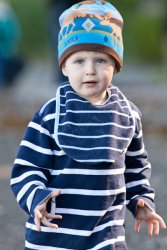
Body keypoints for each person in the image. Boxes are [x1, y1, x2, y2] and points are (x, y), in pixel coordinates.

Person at [11, 1, 166, 249]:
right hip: (55, 232)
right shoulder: (51, 115)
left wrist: (141, 201)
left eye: (101, 60)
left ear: (116, 64)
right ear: (64, 66)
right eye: (79, 61)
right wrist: (36, 197)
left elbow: (136, 168)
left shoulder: (127, 115)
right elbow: (26, 168)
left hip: (106, 233)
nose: (90, 70)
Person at [45, 0, 81, 84]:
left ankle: (67, 76)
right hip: (64, 7)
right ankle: (67, 76)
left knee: (60, 41)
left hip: (67, 8)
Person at [0, 1, 24, 87]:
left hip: (8, 52)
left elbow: (14, 34)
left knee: (18, 62)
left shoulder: (7, 18)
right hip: (4, 53)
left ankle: (6, 82)